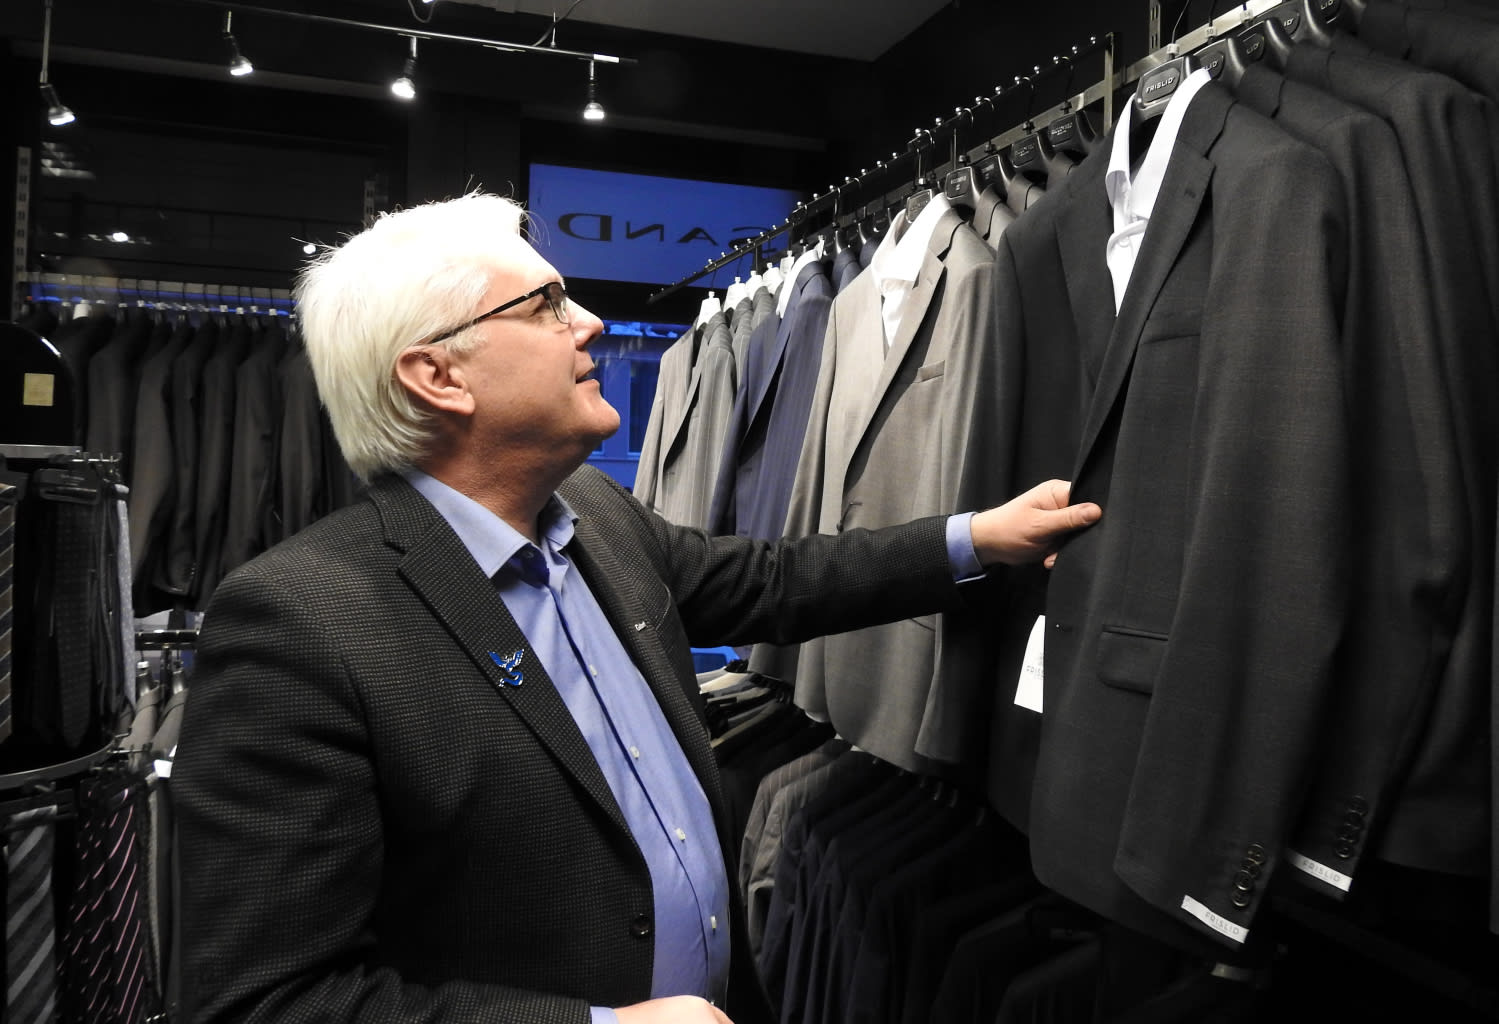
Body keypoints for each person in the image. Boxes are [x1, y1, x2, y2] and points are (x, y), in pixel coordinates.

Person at [173, 192, 1100, 1024]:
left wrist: (977, 539)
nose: (589, 322)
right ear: (438, 376)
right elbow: (269, 1000)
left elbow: (771, 580)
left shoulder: (595, 515)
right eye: (544, 304)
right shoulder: (302, 624)